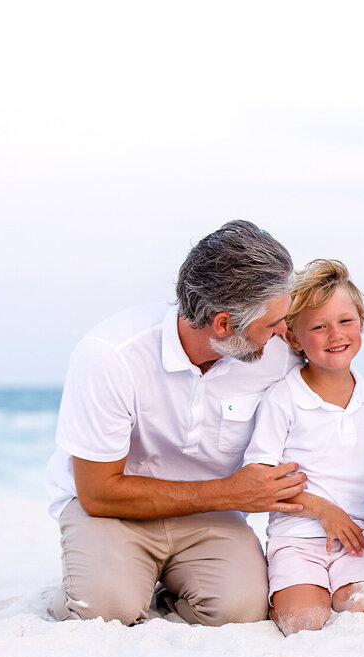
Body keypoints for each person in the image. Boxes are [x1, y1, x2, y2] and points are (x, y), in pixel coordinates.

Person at [46, 220, 307, 626]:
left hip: (211, 516)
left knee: (240, 612)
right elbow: (98, 493)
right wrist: (230, 492)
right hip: (111, 510)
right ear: (223, 325)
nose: (283, 331)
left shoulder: (279, 356)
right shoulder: (111, 355)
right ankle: (101, 581)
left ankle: (159, 584)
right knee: (105, 613)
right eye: (271, 323)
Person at [242, 259, 364, 635]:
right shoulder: (282, 399)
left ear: (361, 323)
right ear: (294, 338)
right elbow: (259, 478)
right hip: (295, 539)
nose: (335, 334)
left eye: (346, 321)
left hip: (359, 542)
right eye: (318, 326)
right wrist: (323, 510)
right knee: (304, 621)